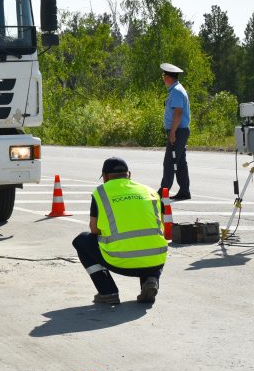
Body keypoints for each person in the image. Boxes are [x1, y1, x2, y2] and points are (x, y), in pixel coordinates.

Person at [72, 157, 168, 304]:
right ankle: (151, 279)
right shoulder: (151, 191)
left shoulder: (101, 193)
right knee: (150, 242)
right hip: (155, 261)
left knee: (81, 241)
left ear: (104, 177)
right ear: (129, 174)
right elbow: (161, 226)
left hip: (120, 261)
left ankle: (108, 292)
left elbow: (94, 229)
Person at [160, 62, 191, 201]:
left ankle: (164, 190)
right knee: (180, 162)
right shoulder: (176, 90)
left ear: (168, 77)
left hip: (178, 131)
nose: (163, 78)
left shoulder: (177, 91)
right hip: (179, 130)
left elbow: (178, 113)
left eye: (163, 76)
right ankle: (184, 191)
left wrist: (172, 132)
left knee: (169, 162)